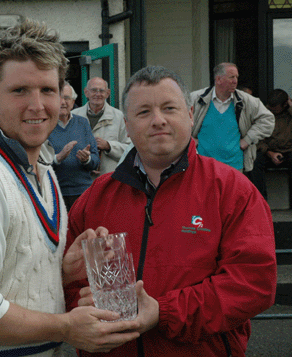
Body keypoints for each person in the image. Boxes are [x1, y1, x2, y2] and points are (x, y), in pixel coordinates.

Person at [0, 19, 153, 357]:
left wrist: (61, 270)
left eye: (47, 90)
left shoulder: (40, 168)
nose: (37, 105)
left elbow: (11, 275)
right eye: (19, 90)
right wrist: (67, 327)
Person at [65, 65, 277, 356]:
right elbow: (66, 285)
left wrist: (163, 313)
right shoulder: (95, 198)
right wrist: (76, 301)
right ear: (127, 125)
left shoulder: (232, 191)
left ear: (190, 116)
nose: (158, 120)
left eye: (169, 108)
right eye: (143, 112)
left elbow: (253, 283)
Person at [191, 62, 274, 172]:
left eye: (236, 77)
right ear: (218, 79)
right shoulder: (196, 98)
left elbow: (268, 119)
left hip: (234, 166)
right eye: (231, 77)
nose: (235, 81)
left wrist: (248, 139)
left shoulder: (246, 100)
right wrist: (189, 139)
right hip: (202, 165)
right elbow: (176, 120)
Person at [48, 82, 99, 211]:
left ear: (73, 101)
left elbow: (95, 160)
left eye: (66, 98)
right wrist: (58, 158)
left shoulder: (82, 122)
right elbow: (37, 162)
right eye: (59, 98)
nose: (63, 102)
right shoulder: (45, 125)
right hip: (55, 192)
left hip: (83, 191)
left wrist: (86, 159)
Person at [72, 77, 131, 177]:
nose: (97, 94)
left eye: (101, 91)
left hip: (109, 179)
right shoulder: (73, 116)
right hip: (80, 179)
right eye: (94, 90)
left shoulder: (119, 116)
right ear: (86, 92)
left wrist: (109, 146)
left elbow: (130, 150)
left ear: (107, 93)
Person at [248, 89, 292, 200]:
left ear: (285, 105)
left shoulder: (289, 115)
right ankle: (261, 201)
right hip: (268, 151)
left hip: (288, 151)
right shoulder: (262, 114)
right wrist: (269, 153)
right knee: (254, 160)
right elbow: (256, 138)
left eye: (274, 109)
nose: (271, 110)